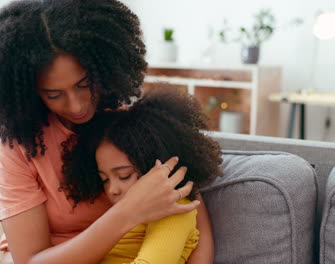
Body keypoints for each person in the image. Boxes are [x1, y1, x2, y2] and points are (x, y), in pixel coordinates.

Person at [0, 0, 215, 263]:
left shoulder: (132, 125)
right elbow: (30, 260)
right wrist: (128, 212)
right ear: (30, 93)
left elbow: (193, 218)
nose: (77, 106)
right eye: (54, 94)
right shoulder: (17, 147)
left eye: (84, 84)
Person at [61, 89, 223, 264]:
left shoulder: (175, 210)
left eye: (124, 176)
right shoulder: (121, 219)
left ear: (157, 168)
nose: (112, 190)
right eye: (104, 180)